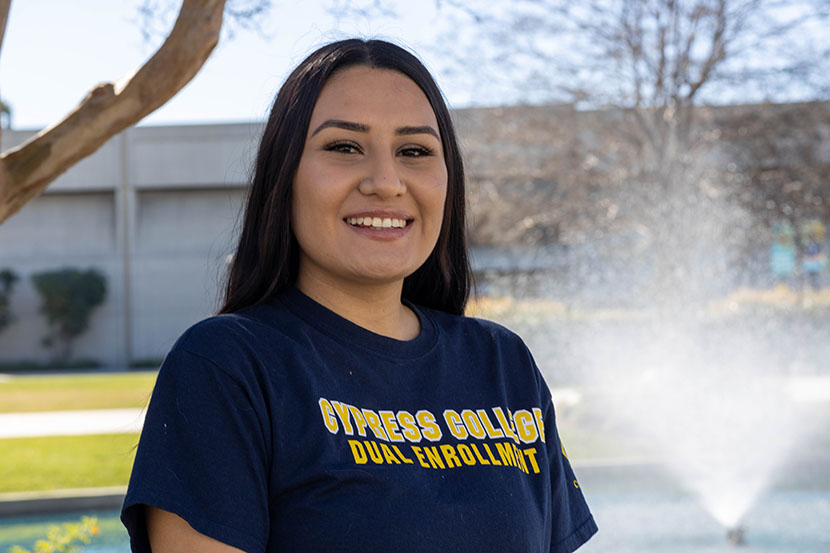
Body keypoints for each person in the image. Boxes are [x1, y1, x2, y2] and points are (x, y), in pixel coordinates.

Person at [121, 38, 597, 553]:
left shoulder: (503, 364)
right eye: (344, 147)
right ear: (285, 176)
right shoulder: (228, 367)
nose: (386, 182)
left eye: (414, 151)